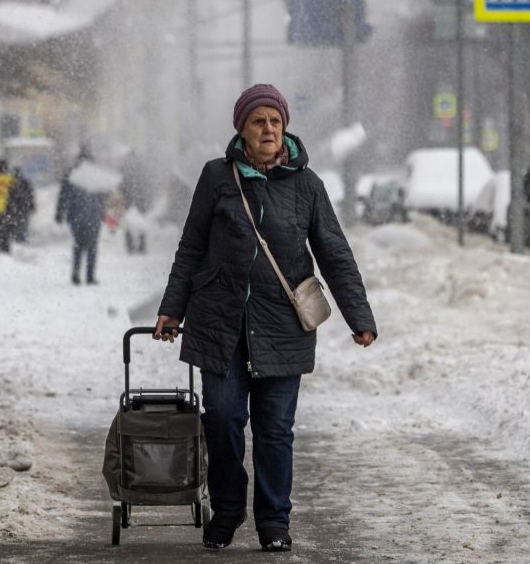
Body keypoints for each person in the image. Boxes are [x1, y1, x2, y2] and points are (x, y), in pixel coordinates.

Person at [153, 83, 378, 552]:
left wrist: (359, 314)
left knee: (275, 430)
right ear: (242, 129)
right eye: (259, 121)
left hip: (282, 326)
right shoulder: (216, 177)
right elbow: (191, 247)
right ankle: (229, 509)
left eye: (275, 121)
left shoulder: (307, 185)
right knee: (222, 419)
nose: (268, 129)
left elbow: (334, 253)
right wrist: (172, 308)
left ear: (285, 128)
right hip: (221, 325)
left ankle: (274, 521)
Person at [55, 149, 107, 285]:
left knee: (78, 245)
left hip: (75, 216)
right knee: (92, 247)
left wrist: (59, 213)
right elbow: (103, 196)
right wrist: (103, 213)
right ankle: (90, 276)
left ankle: (76, 274)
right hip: (93, 216)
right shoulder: (96, 176)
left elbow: (63, 196)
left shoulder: (72, 174)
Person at [7, 167, 36, 244]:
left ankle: (16, 238)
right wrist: (32, 205)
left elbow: (8, 196)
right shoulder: (25, 182)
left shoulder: (11, 182)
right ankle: (21, 238)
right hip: (24, 206)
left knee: (15, 223)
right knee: (23, 224)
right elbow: (30, 195)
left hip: (14, 207)